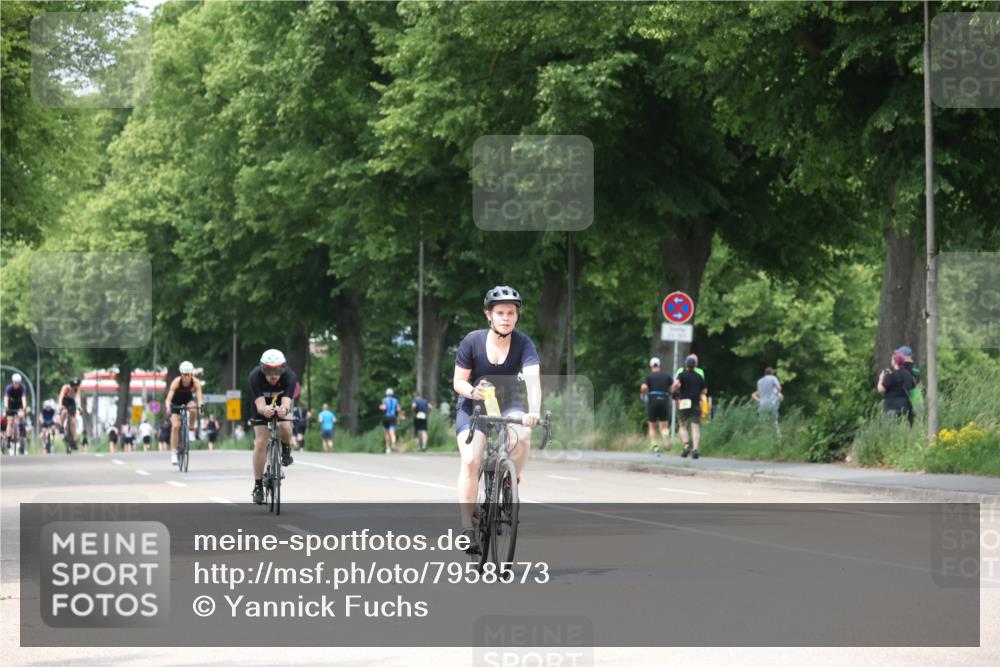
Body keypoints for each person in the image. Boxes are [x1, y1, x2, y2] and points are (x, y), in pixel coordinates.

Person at [453, 285, 541, 553]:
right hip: (474, 405)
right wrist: (473, 391)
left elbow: (533, 382)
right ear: (488, 315)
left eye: (511, 313)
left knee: (523, 436)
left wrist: (533, 411)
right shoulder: (472, 341)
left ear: (517, 315)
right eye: (500, 312)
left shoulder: (524, 343)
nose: (506, 318)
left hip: (508, 403)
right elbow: (458, 381)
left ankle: (510, 476)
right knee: (470, 460)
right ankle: (468, 528)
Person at [249, 349, 298, 505]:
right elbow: (260, 406)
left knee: (285, 426)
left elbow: (287, 403)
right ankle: (258, 486)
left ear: (283, 368)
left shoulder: (290, 377)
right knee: (261, 442)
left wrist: (284, 410)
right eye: (269, 370)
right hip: (262, 407)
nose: (273, 375)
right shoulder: (255, 376)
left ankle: (286, 447)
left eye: (277, 370)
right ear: (262, 368)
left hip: (280, 404)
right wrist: (265, 410)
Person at [165, 361, 204, 466]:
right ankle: (174, 452)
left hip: (188, 400)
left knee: (193, 408)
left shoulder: (196, 382)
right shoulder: (176, 382)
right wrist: (168, 407)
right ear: (181, 374)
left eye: (188, 374)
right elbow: (168, 399)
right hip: (176, 402)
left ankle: (191, 429)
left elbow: (200, 397)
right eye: (184, 374)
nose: (186, 377)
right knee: (175, 426)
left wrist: (201, 407)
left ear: (191, 374)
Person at [671, 355, 707, 459]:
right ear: (695, 365)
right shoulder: (699, 376)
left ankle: (686, 446)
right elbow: (705, 391)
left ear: (686, 365)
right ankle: (695, 449)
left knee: (683, 426)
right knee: (695, 427)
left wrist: (673, 391)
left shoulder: (681, 375)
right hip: (695, 403)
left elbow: (676, 385)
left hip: (684, 402)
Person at [640, 357, 673, 455]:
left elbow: (644, 387)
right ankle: (665, 435)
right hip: (664, 400)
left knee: (652, 427)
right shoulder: (667, 376)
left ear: (651, 366)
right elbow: (672, 387)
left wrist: (643, 394)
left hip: (653, 401)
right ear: (659, 365)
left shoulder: (649, 377)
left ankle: (656, 448)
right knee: (663, 426)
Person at [878, 350, 915, 426]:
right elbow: (913, 389)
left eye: (892, 359)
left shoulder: (891, 376)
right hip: (906, 407)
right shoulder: (908, 374)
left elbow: (881, 389)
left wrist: (881, 378)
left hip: (891, 407)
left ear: (895, 361)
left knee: (892, 430)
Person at [4, 374, 29, 454]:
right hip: (10, 404)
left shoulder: (22, 388)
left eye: (18, 383)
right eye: (15, 383)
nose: (16, 384)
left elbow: (23, 398)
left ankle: (22, 427)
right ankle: (8, 439)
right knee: (10, 422)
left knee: (21, 414)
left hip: (19, 404)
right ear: (12, 382)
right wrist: (6, 407)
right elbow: (6, 398)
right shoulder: (9, 388)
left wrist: (24, 407)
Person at [56, 377, 82, 449]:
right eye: (73, 386)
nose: (74, 387)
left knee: (73, 422)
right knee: (64, 412)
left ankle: (74, 440)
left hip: (71, 403)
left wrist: (79, 406)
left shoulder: (77, 389)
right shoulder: (65, 387)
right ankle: (61, 426)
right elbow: (61, 397)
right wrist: (60, 406)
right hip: (64, 401)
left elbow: (77, 397)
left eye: (76, 386)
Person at [379, 389, 404, 454]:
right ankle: (393, 444)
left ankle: (387, 448)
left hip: (386, 417)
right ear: (392, 394)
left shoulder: (384, 400)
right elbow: (398, 409)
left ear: (386, 394)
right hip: (393, 417)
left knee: (387, 433)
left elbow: (384, 408)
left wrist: (380, 407)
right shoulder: (395, 400)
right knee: (392, 433)